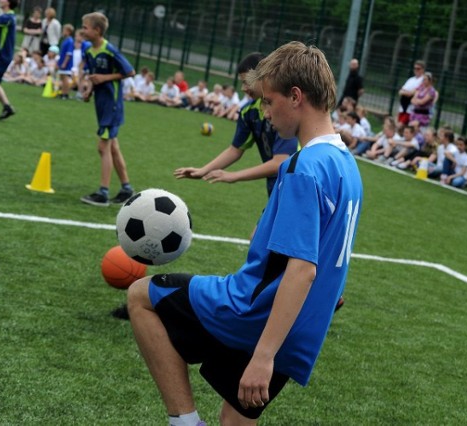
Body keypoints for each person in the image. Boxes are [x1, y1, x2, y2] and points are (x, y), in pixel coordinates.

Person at [128, 40, 363, 426]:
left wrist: (264, 355)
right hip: (300, 329)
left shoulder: (305, 167)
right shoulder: (345, 164)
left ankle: (184, 422)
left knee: (141, 295)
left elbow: (303, 269)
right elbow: (334, 249)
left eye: (268, 102)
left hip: (254, 314)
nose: (265, 113)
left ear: (296, 97)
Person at [174, 52, 298, 198]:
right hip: (276, 186)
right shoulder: (248, 112)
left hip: (295, 184)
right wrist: (203, 170)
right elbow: (235, 150)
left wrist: (233, 176)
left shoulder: (283, 110)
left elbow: (280, 162)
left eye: (247, 81)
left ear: (264, 77)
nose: (243, 88)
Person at [79, 12, 136, 207]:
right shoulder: (88, 50)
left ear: (97, 30)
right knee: (113, 147)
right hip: (101, 105)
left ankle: (103, 193)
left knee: (103, 147)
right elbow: (92, 75)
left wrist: (105, 79)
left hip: (112, 105)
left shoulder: (110, 50)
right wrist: (88, 89)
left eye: (85, 27)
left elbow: (129, 71)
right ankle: (127, 189)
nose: (82, 30)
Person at [57, 24, 75, 100]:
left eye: (64, 30)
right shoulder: (65, 40)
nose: (62, 32)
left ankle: (65, 94)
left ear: (68, 31)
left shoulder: (70, 41)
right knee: (62, 77)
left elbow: (69, 53)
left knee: (65, 78)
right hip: (62, 61)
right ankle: (63, 92)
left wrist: (64, 63)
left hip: (66, 63)